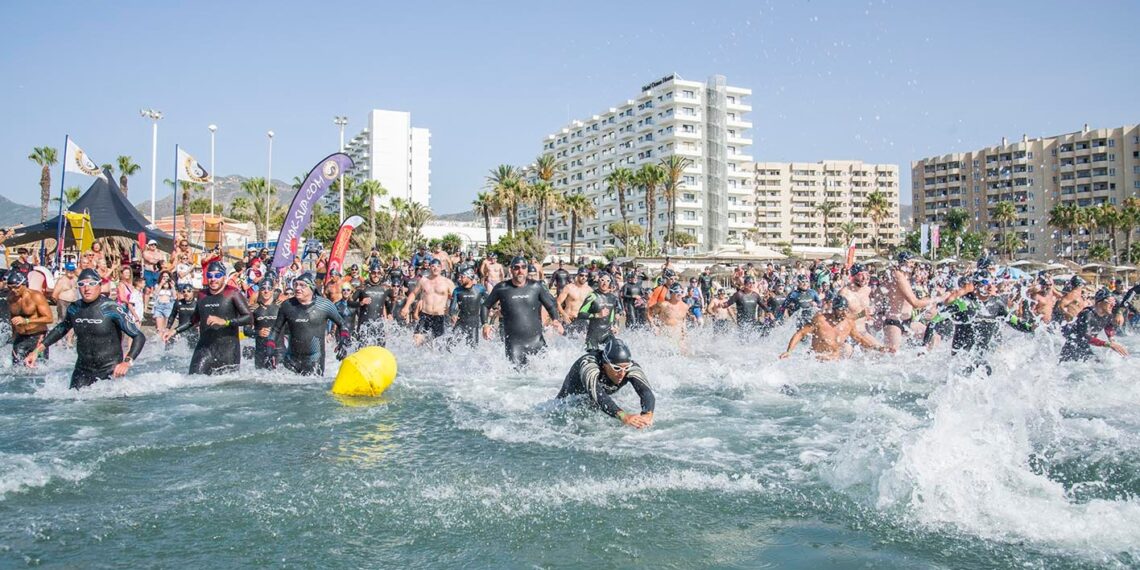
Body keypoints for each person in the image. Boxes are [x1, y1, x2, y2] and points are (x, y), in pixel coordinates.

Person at [25, 269, 145, 389]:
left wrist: (127, 362)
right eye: (82, 284)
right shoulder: (74, 308)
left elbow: (138, 336)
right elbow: (61, 329)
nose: (87, 288)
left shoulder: (111, 308)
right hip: (83, 370)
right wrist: (36, 351)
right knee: (71, 404)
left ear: (99, 285)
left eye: (92, 284)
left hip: (110, 370)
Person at [162, 261, 252, 375]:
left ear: (224, 277)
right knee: (193, 381)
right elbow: (194, 319)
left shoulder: (232, 293)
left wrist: (226, 322)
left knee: (227, 387)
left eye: (217, 275)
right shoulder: (202, 294)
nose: (213, 279)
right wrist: (174, 331)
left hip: (228, 350)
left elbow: (249, 318)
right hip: (205, 348)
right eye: (210, 276)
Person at [555, 338, 654, 429]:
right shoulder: (589, 365)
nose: (622, 373)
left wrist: (647, 414)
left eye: (626, 368)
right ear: (605, 364)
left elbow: (646, 392)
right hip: (565, 406)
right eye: (617, 368)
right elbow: (596, 393)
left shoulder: (629, 367)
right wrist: (624, 416)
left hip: (593, 404)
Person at [482, 256, 563, 365]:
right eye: (516, 267)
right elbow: (485, 306)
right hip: (515, 345)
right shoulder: (502, 288)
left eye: (523, 267)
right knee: (517, 379)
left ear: (527, 269)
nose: (520, 271)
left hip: (537, 341)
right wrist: (485, 324)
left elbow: (550, 306)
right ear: (511, 270)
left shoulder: (536, 287)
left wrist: (556, 320)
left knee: (546, 375)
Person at [266, 273, 351, 376]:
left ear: (312, 288)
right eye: (296, 284)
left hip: (315, 359)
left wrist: (343, 342)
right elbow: (275, 330)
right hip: (291, 359)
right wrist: (270, 348)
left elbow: (343, 325)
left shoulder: (324, 305)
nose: (297, 288)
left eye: (302, 285)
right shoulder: (287, 305)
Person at [780, 296, 892, 360]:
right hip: (816, 359)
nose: (843, 312)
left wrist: (878, 348)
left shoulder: (848, 322)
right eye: (840, 309)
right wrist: (788, 351)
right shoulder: (820, 320)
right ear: (834, 309)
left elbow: (860, 339)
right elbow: (801, 333)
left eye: (845, 309)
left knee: (847, 348)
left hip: (835, 361)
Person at [880, 252, 939, 351]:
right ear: (904, 263)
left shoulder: (906, 276)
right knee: (891, 355)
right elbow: (915, 303)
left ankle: (923, 359)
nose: (914, 265)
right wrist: (937, 299)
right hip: (894, 322)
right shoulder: (898, 276)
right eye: (912, 263)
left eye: (914, 263)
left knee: (934, 338)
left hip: (908, 321)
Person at [1060, 288, 1129, 362]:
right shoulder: (1087, 314)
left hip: (1085, 347)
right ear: (1099, 303)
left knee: (1100, 364)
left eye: (1114, 302)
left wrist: (1111, 339)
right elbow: (1086, 337)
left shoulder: (1107, 314)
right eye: (1110, 302)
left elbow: (1108, 326)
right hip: (1072, 349)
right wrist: (1109, 344)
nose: (1113, 305)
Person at [401, 258, 455, 345]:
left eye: (438, 266)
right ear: (429, 267)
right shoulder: (423, 280)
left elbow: (456, 299)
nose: (435, 268)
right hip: (425, 315)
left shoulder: (447, 282)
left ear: (441, 268)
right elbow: (414, 294)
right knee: (416, 340)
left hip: (440, 317)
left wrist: (454, 313)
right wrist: (406, 307)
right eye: (433, 266)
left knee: (436, 345)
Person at [7, 271, 53, 365]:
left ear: (24, 284)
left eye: (16, 287)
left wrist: (27, 321)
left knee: (38, 370)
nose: (13, 290)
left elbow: (49, 318)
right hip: (20, 338)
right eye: (10, 287)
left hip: (37, 336)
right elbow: (13, 318)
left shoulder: (36, 296)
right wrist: (13, 335)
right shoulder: (11, 298)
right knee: (16, 369)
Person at [578, 273, 622, 349]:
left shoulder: (613, 298)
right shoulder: (592, 296)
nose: (605, 283)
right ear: (598, 281)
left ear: (610, 282)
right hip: (593, 335)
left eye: (607, 281)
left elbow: (614, 315)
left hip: (608, 334)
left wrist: (615, 325)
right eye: (602, 280)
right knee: (593, 358)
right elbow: (580, 314)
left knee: (617, 353)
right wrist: (597, 315)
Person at [348, 268, 392, 346]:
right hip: (364, 326)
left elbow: (392, 300)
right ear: (370, 273)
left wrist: (389, 313)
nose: (376, 275)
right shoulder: (362, 288)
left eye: (378, 273)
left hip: (379, 326)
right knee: (361, 351)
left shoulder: (386, 288)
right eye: (374, 273)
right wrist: (360, 303)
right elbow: (349, 302)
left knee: (380, 351)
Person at [449, 268, 487, 346]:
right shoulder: (457, 290)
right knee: (449, 347)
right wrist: (453, 315)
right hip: (460, 323)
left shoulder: (480, 289)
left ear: (469, 277)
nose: (459, 279)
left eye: (462, 277)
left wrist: (496, 309)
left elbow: (490, 301)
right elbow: (452, 307)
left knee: (473, 350)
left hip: (474, 324)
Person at [246, 285, 281, 370]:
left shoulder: (281, 306)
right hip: (260, 351)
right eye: (263, 288)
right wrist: (258, 332)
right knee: (261, 379)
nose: (266, 291)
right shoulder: (253, 309)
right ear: (259, 291)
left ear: (273, 290)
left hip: (279, 350)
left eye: (269, 288)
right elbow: (246, 330)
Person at [557, 268, 593, 334]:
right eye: (582, 275)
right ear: (578, 275)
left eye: (586, 276)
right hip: (568, 319)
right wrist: (564, 315)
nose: (584, 277)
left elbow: (593, 307)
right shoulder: (569, 287)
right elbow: (557, 303)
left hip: (581, 321)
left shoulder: (589, 290)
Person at [170, 283, 199, 347]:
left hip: (193, 332)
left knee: (191, 351)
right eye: (184, 291)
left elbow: (202, 317)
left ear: (192, 292)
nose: (186, 293)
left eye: (188, 291)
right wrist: (167, 328)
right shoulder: (178, 303)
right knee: (170, 346)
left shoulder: (197, 303)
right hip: (180, 330)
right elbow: (172, 316)